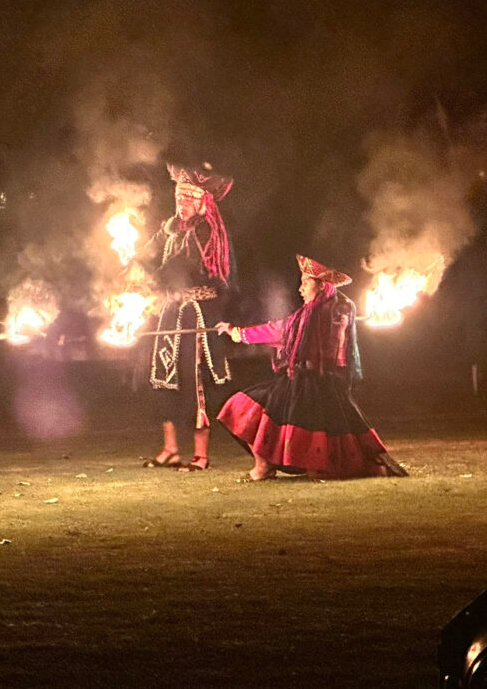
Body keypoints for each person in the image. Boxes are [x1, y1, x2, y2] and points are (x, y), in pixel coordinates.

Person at [216, 254, 407, 481]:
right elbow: (279, 330)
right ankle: (263, 467)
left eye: (306, 282)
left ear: (321, 285)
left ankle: (373, 470)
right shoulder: (307, 315)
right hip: (297, 381)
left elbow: (330, 343)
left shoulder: (338, 310)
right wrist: (236, 332)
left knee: (322, 465)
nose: (300, 288)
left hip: (322, 386)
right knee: (241, 407)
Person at [140, 164, 236, 472]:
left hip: (196, 316)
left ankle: (201, 455)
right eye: (178, 197)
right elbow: (149, 252)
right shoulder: (172, 229)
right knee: (164, 378)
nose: (181, 204)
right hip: (171, 313)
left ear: (201, 202)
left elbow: (187, 268)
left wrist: (153, 279)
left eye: (187, 198)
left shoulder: (206, 231)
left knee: (195, 380)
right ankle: (170, 449)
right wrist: (134, 267)